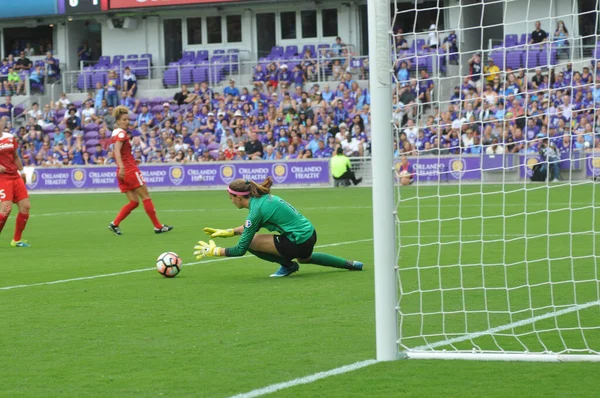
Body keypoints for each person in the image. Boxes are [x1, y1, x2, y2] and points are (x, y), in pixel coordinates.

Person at [193, 177, 363, 277]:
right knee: (305, 258)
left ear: (238, 197)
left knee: (250, 242)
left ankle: (288, 266)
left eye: (231, 197)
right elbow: (249, 226)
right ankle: (350, 264)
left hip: (296, 241)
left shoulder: (256, 211)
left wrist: (215, 251)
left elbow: (240, 249)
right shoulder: (263, 199)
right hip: (309, 234)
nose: (230, 201)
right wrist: (230, 232)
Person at [107, 106, 173, 235]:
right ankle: (158, 226)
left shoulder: (114, 134)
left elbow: (118, 152)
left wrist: (129, 162)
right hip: (128, 171)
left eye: (128, 119)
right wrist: (122, 166)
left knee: (134, 202)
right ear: (118, 121)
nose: (127, 121)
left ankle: (115, 224)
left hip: (124, 169)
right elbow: (116, 151)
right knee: (146, 197)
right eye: (124, 119)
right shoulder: (121, 134)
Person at [0, 130, 31, 247]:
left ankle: (16, 240)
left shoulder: (9, 137)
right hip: (2, 178)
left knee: (25, 207)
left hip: (15, 175)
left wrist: (22, 172)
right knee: (6, 210)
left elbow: (15, 156)